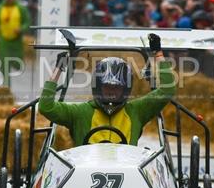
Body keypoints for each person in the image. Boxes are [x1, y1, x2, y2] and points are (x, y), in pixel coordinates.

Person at [38, 33, 175, 146]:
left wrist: (158, 54)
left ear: (125, 89)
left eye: (116, 88)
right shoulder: (79, 113)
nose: (111, 91)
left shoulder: (137, 111)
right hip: (85, 173)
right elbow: (45, 107)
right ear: (98, 86)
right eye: (107, 86)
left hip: (129, 173)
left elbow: (167, 91)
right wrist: (58, 68)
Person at [0, 0, 30, 87]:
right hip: (3, 41)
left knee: (18, 64)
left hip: (16, 42)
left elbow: (27, 22)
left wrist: (22, 28)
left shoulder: (21, 8)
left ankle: (13, 66)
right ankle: (6, 86)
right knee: (4, 63)